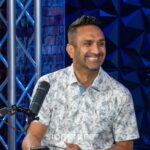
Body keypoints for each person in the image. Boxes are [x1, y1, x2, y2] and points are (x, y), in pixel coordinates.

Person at [22, 15, 139, 150]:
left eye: (101, 43)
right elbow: (33, 136)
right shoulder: (48, 84)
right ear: (71, 50)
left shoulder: (120, 94)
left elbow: (125, 146)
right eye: (88, 44)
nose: (96, 51)